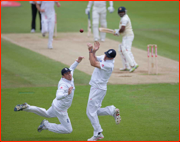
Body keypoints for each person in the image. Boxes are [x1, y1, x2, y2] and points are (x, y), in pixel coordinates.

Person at [14, 56, 84, 134]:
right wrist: (66, 93)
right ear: (63, 76)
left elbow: (72, 68)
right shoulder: (63, 85)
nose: (69, 75)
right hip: (60, 109)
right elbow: (58, 96)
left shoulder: (70, 77)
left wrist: (78, 61)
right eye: (66, 74)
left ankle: (27, 107)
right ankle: (46, 125)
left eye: (69, 73)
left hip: (56, 105)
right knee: (68, 130)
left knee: (47, 114)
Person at [86, 41, 121, 141]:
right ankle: (112, 110)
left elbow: (92, 63)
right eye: (106, 54)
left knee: (90, 112)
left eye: (108, 56)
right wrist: (93, 51)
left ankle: (98, 133)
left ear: (112, 58)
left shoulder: (109, 65)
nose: (105, 57)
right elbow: (94, 58)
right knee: (94, 112)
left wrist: (90, 51)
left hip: (98, 89)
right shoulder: (104, 57)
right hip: (97, 88)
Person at [114, 6, 139, 72]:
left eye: (122, 12)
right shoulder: (123, 18)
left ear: (125, 12)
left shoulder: (124, 18)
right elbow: (121, 29)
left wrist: (117, 32)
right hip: (125, 36)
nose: (121, 13)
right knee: (121, 50)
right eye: (120, 12)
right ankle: (126, 66)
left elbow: (122, 29)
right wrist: (118, 32)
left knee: (126, 50)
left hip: (128, 36)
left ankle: (133, 64)